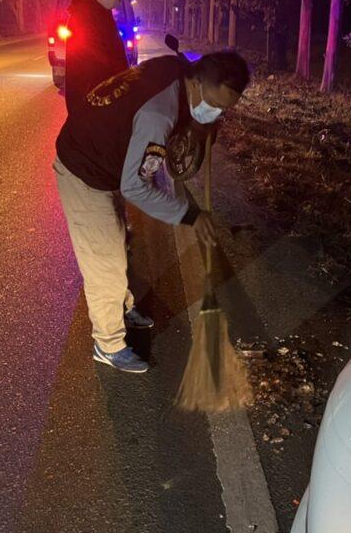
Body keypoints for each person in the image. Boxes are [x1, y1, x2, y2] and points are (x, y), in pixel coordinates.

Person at [54, 50, 251, 373]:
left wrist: (200, 126)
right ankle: (108, 343)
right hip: (84, 169)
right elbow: (136, 187)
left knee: (119, 242)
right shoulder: (158, 116)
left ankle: (121, 306)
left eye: (223, 110)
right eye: (213, 105)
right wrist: (190, 214)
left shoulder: (175, 68)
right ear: (197, 83)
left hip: (106, 160)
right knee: (105, 262)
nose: (215, 113)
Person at [64, 0, 129, 115]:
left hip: (103, 105)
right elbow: (97, 65)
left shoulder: (102, 14)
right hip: (91, 109)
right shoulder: (83, 17)